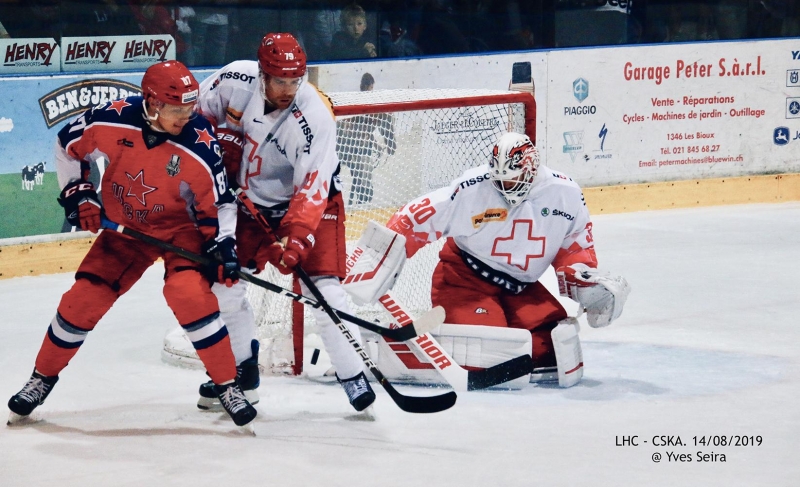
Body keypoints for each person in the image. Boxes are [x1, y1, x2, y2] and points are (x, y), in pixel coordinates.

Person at [6, 61, 257, 427]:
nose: (187, 115)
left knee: (188, 295)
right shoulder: (110, 119)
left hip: (179, 232)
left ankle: (227, 385)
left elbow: (218, 203)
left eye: (191, 107)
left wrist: (223, 246)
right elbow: (67, 146)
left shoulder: (201, 140)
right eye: (178, 109)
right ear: (152, 104)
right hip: (126, 227)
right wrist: (79, 194)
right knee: (83, 299)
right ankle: (40, 379)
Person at [195, 32, 376, 412]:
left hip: (311, 203)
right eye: (280, 81)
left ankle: (354, 374)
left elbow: (312, 188)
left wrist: (296, 239)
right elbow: (193, 119)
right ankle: (242, 372)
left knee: (324, 292)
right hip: (246, 203)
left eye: (296, 80)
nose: (289, 89)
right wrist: (213, 148)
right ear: (262, 74)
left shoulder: (314, 116)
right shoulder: (233, 80)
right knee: (223, 285)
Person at [369, 132, 630, 387]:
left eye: (512, 179)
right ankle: (403, 344)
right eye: (500, 180)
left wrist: (581, 277)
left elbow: (574, 245)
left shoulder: (566, 193)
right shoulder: (474, 187)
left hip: (520, 287)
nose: (505, 186)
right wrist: (379, 254)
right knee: (491, 350)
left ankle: (447, 333)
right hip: (464, 280)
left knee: (548, 347)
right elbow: (418, 215)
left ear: (530, 170)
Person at [336, 72, 396, 206]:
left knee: (358, 181)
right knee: (364, 187)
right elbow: (363, 131)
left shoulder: (356, 102)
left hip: (349, 150)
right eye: (371, 87)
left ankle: (355, 203)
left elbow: (365, 131)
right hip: (359, 150)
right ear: (370, 86)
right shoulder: (367, 104)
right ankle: (360, 206)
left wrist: (376, 145)